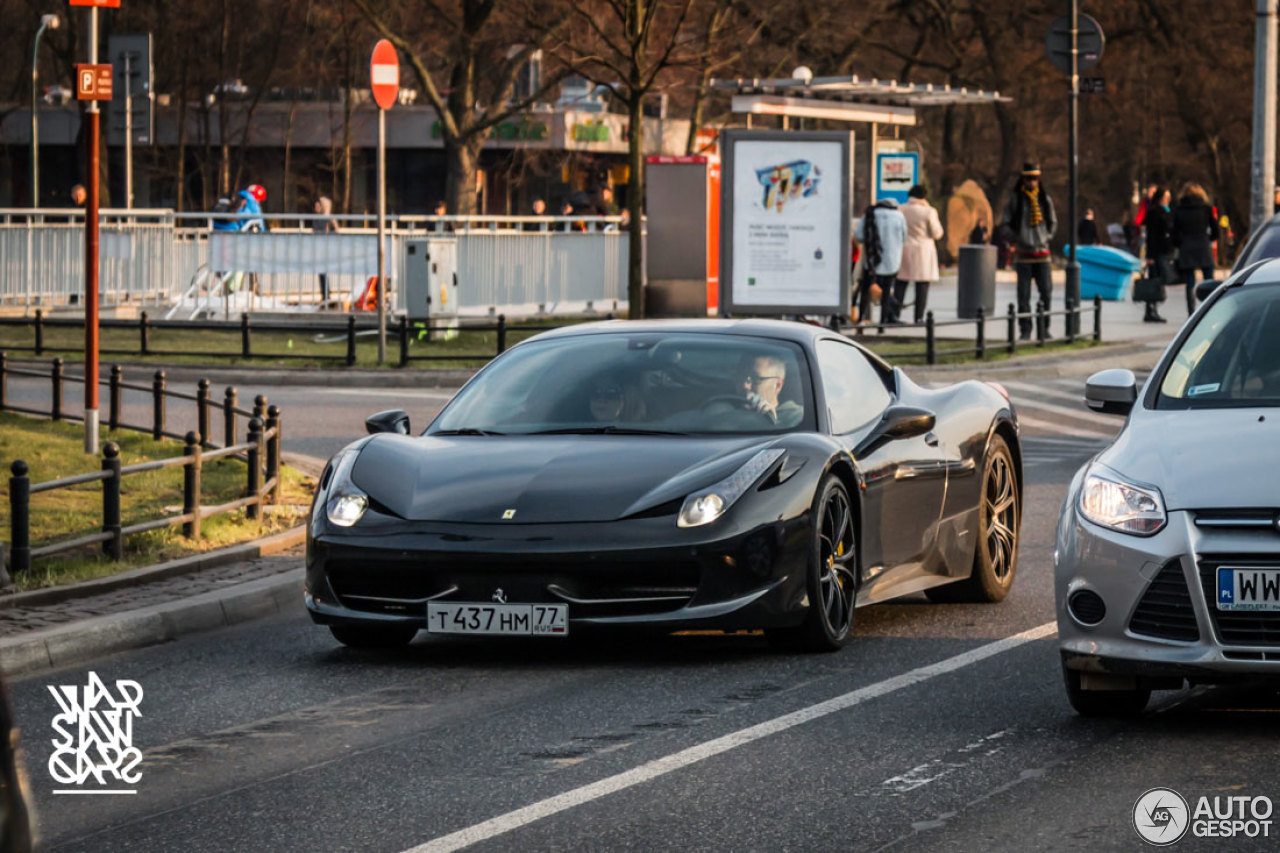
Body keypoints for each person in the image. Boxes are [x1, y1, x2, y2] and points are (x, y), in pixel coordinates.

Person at [1001, 162, 1057, 339]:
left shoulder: (1044, 199)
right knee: (1023, 296)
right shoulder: (1015, 199)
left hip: (1042, 255)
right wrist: (1018, 238)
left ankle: (1044, 328)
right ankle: (1025, 330)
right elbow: (1004, 225)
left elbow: (1053, 222)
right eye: (1029, 178)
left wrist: (1045, 237)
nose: (1032, 182)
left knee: (1046, 293)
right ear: (1023, 179)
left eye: (1035, 178)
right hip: (1024, 256)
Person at [895, 185, 945, 324]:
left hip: (904, 249)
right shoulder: (929, 211)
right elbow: (937, 233)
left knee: (901, 284)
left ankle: (895, 314)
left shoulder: (901, 209)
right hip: (923, 252)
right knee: (922, 287)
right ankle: (919, 317)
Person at [853, 198, 907, 326]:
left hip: (872, 261)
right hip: (891, 261)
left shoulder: (870, 214)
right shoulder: (899, 216)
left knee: (865, 290)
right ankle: (882, 323)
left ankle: (861, 319)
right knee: (886, 292)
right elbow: (904, 237)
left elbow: (859, 236)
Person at [1173, 182, 1220, 315]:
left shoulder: (1179, 210)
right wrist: (1207, 238)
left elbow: (1175, 233)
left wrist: (1180, 243)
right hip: (1203, 245)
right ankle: (1210, 309)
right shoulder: (1206, 208)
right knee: (1209, 279)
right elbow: (1216, 231)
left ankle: (1191, 312)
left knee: (1190, 282)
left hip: (1187, 246)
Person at [740, 354, 803, 428]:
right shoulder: (726, 409)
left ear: (778, 385)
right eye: (741, 376)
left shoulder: (796, 417)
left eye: (756, 379)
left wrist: (772, 422)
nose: (745, 385)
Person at [1143, 187, 1175, 323]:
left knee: (1157, 280)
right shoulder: (1154, 212)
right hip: (1156, 252)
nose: (1168, 200)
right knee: (1154, 281)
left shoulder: (1167, 211)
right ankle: (1150, 310)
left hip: (1163, 250)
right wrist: (1149, 256)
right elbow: (1151, 236)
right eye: (1166, 197)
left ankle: (1152, 309)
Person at [312, 196, 337, 303]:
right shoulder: (317, 218)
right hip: (320, 247)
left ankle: (326, 294)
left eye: (319, 205)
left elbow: (335, 231)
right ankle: (325, 294)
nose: (316, 207)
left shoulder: (328, 218)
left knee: (324, 271)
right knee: (322, 272)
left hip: (326, 247)